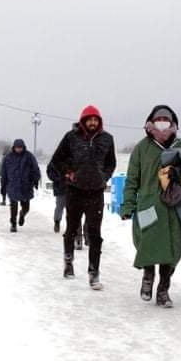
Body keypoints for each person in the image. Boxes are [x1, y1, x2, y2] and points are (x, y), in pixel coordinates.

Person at [120, 105, 181, 307]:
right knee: (147, 244)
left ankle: (163, 289)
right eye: (159, 118)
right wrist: (127, 205)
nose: (162, 122)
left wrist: (177, 176)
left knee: (172, 250)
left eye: (166, 119)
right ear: (151, 122)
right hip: (148, 205)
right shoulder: (142, 148)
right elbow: (132, 180)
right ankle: (148, 277)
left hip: (174, 207)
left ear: (173, 123)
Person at [49, 105, 116, 290]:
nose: (93, 122)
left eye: (96, 119)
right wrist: (68, 172)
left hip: (96, 192)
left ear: (99, 121)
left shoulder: (107, 139)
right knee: (71, 229)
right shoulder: (71, 138)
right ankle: (68, 261)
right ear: (83, 121)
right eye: (89, 119)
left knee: (95, 235)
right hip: (75, 191)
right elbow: (56, 160)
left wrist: (104, 177)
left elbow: (111, 163)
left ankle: (94, 273)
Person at [0, 139, 41, 233]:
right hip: (13, 185)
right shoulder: (8, 158)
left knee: (26, 207)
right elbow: (4, 173)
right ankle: (13, 224)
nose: (19, 149)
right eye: (17, 147)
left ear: (23, 147)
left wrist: (35, 180)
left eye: (20, 148)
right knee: (13, 206)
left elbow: (35, 168)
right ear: (14, 147)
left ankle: (22, 214)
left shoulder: (29, 156)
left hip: (25, 185)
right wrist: (3, 185)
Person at [47, 153, 84, 249]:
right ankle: (57, 221)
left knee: (75, 212)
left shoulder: (76, 157)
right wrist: (59, 178)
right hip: (60, 188)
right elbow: (50, 172)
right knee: (60, 207)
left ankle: (78, 238)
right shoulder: (56, 159)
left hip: (74, 188)